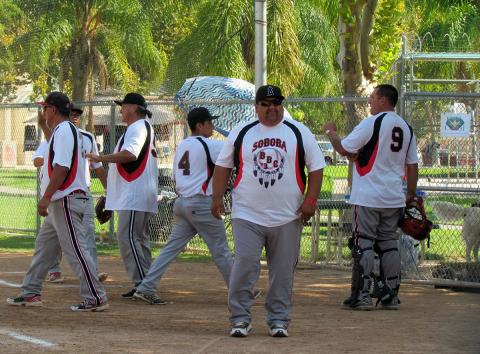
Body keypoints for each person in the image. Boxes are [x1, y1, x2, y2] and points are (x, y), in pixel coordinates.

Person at [211, 85, 325, 338]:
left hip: (288, 215)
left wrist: (311, 200)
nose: (272, 108)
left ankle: (278, 319)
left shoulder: (298, 131)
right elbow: (223, 166)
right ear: (257, 107)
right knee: (244, 265)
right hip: (247, 214)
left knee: (283, 271)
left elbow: (316, 168)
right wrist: (216, 197)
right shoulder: (243, 131)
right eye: (266, 104)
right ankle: (240, 319)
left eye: (276, 103)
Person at [7, 92, 108, 311]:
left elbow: (62, 168)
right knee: (43, 250)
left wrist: (45, 197)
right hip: (60, 202)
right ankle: (30, 292)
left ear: (53, 110)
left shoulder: (64, 131)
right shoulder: (61, 131)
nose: (43, 113)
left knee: (76, 251)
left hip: (64, 200)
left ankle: (95, 297)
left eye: (45, 109)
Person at [324, 84, 418, 311]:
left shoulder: (373, 122)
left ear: (384, 100)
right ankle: (391, 295)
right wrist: (411, 194)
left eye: (373, 98)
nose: (370, 102)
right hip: (394, 197)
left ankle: (362, 295)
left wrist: (331, 132)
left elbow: (345, 149)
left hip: (368, 197)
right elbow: (412, 165)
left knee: (363, 243)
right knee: (388, 244)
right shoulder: (406, 127)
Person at [133, 107, 233, 305]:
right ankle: (241, 290)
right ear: (199, 125)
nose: (213, 126)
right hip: (201, 203)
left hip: (182, 203)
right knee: (221, 249)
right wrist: (234, 135)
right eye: (209, 123)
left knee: (170, 249)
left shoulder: (183, 145)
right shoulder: (210, 144)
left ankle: (146, 287)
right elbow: (236, 148)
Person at [86, 93, 157, 298]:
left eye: (123, 106)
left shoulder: (138, 127)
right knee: (137, 239)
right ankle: (145, 283)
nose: (121, 110)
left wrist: (101, 157)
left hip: (134, 194)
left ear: (134, 108)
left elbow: (130, 155)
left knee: (127, 237)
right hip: (134, 193)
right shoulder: (139, 128)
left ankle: (143, 284)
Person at [35, 104, 109, 283]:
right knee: (54, 238)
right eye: (72, 113)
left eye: (78, 114)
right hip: (58, 195)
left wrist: (109, 191)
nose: (75, 117)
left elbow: (97, 167)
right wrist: (45, 128)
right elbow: (39, 160)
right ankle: (52, 271)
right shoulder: (55, 137)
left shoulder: (87, 137)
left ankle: (92, 272)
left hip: (82, 193)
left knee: (87, 234)